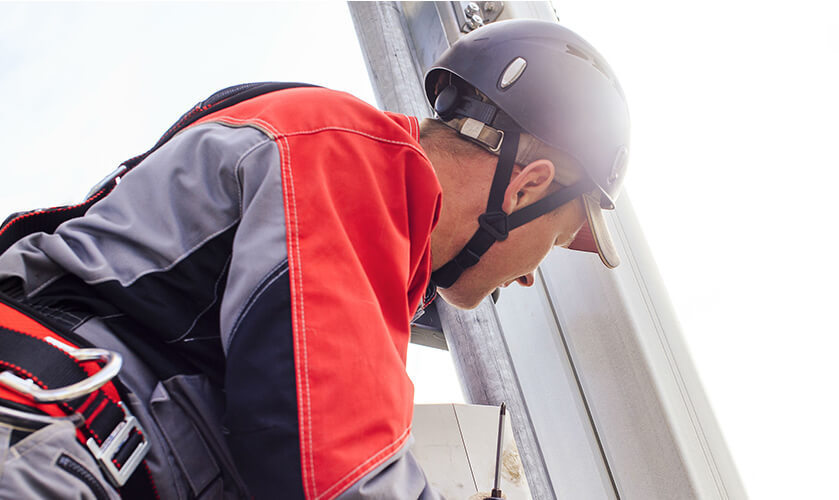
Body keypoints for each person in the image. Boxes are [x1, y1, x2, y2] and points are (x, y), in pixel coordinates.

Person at [0, 19, 629, 499]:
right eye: (549, 243)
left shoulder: (349, 193)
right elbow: (338, 472)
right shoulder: (348, 160)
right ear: (526, 187)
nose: (526, 274)